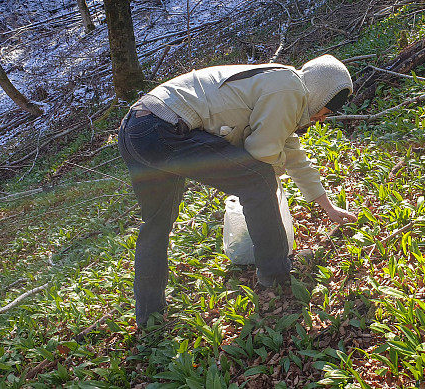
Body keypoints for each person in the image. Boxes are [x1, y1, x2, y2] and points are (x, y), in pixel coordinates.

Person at [117, 55, 358, 327]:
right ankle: (277, 275)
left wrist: (328, 207)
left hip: (137, 129)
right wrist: (271, 173)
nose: (320, 120)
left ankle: (149, 317)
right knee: (258, 179)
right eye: (324, 111)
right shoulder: (289, 89)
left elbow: (294, 157)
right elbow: (263, 155)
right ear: (319, 93)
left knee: (156, 224)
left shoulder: (281, 88)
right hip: (163, 129)